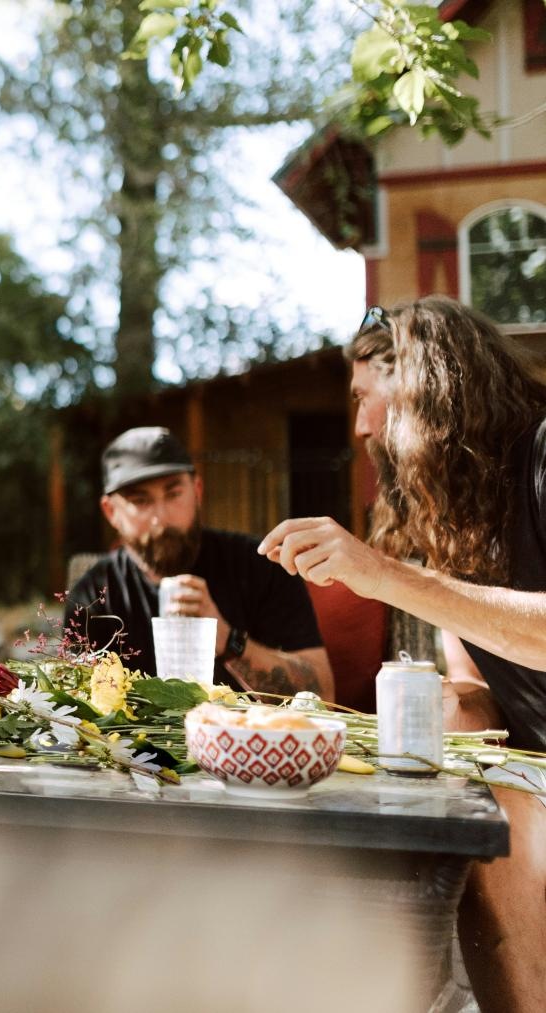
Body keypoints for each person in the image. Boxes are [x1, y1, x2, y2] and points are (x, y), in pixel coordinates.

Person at [259, 297, 545, 1011]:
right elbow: (474, 683)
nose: (359, 426)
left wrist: (384, 575)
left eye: (364, 397)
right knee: (467, 814)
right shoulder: (457, 512)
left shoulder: (544, 455)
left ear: (421, 384)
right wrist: (430, 723)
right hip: (534, 769)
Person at [64, 426, 333, 698]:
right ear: (111, 512)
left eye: (173, 494)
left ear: (197, 491)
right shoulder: (93, 596)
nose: (161, 520)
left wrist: (229, 642)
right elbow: (75, 706)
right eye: (141, 501)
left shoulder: (262, 565)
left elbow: (323, 695)